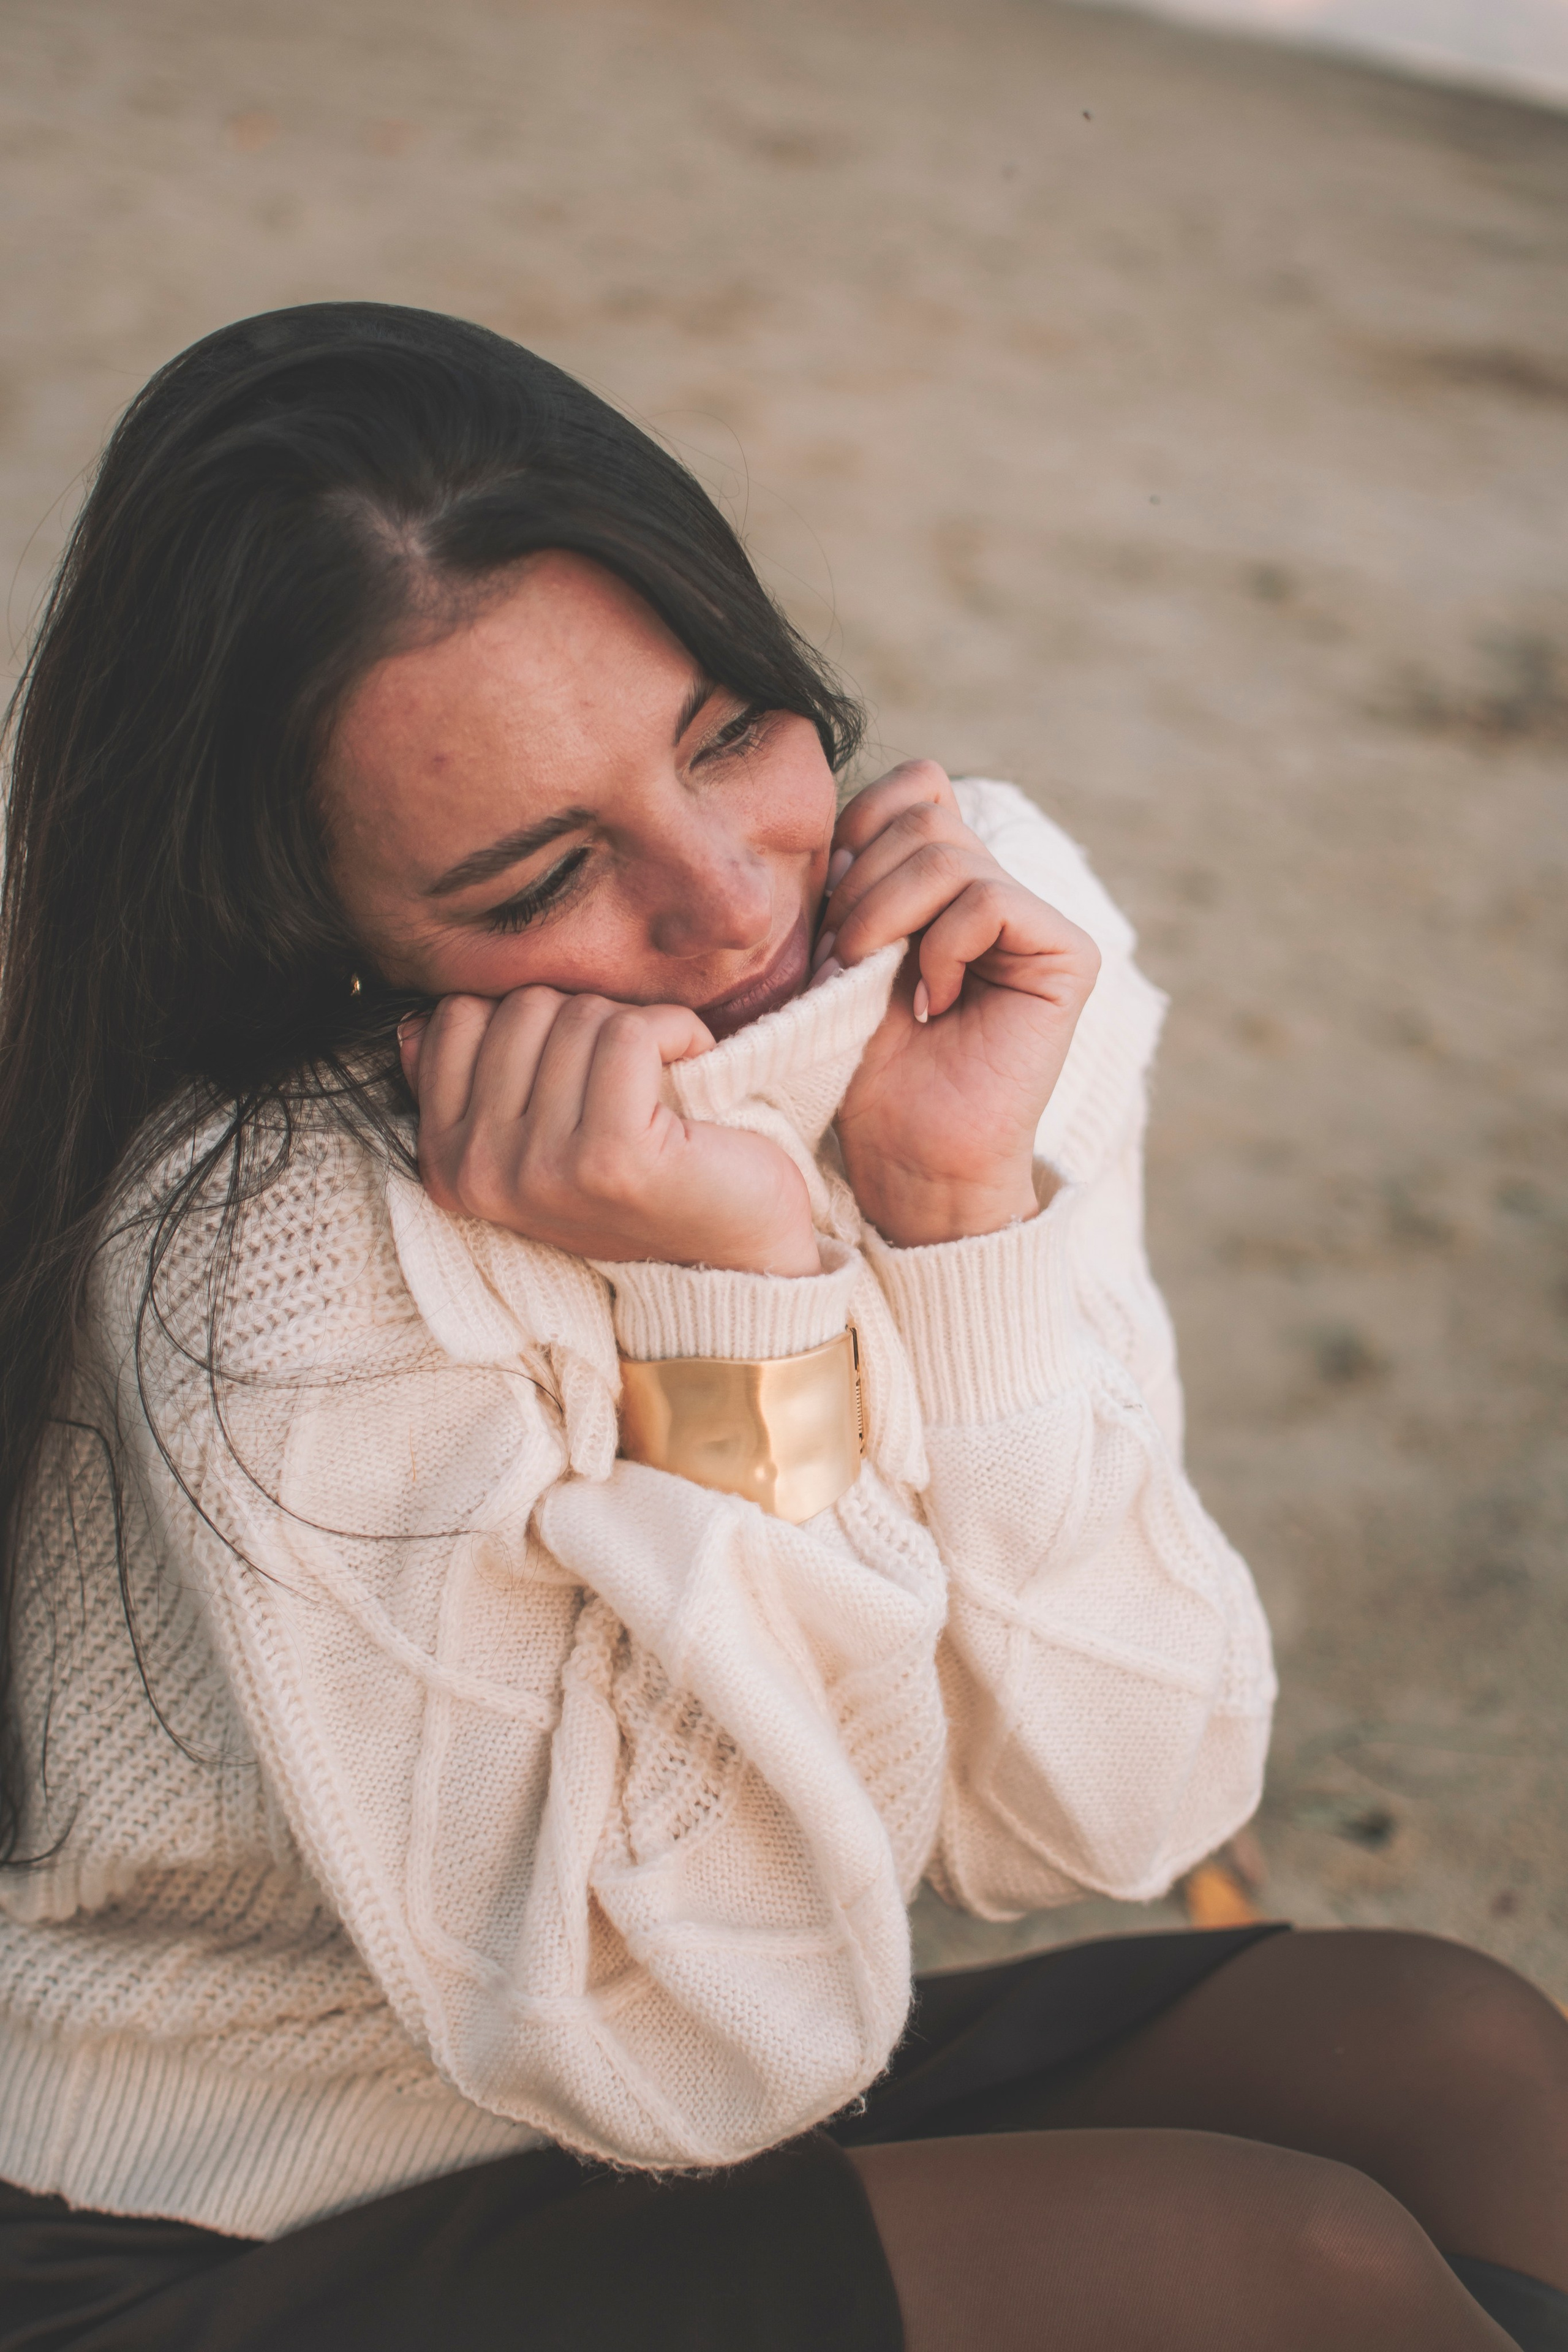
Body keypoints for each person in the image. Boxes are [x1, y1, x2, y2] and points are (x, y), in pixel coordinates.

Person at [0, 303, 1562, 2352]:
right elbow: (710, 2055)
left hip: (696, 2033)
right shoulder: (281, 1253)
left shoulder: (965, 964)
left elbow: (1114, 1805)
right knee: (1292, 2273)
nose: (735, 908)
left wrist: (952, 1214)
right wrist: (737, 1315)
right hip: (226, 2204)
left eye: (730, 729)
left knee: (1447, 2051)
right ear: (320, 933)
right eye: (551, 873)